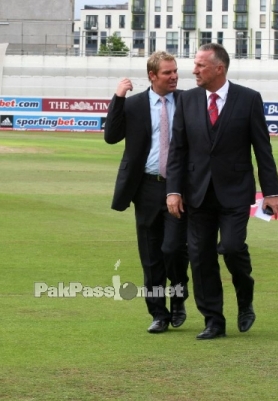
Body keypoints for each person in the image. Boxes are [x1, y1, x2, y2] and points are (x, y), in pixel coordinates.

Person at [166, 43, 278, 340]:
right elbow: (178, 150)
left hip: (235, 191)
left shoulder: (248, 99)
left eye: (200, 66)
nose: (194, 71)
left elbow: (262, 148)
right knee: (200, 257)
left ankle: (245, 297)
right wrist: (173, 190)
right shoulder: (187, 100)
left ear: (219, 68)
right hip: (197, 192)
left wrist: (272, 192)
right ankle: (213, 320)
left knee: (231, 247)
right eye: (195, 65)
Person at [104, 51, 189, 334]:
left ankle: (178, 299)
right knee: (151, 253)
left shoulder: (188, 101)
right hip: (147, 187)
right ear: (152, 76)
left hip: (179, 187)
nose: (174, 76)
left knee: (174, 249)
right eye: (168, 72)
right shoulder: (135, 105)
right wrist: (118, 98)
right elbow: (111, 136)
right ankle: (158, 313)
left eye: (175, 71)